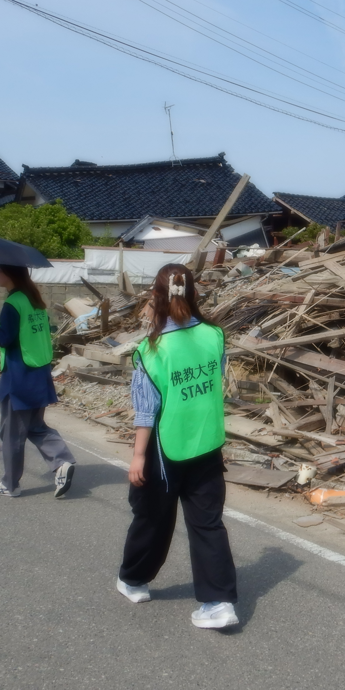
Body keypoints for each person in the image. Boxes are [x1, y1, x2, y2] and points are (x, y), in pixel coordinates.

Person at [117, 263, 238, 630]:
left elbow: (146, 409)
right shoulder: (215, 335)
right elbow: (215, 380)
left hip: (165, 448)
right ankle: (219, 603)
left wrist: (138, 456)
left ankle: (134, 580)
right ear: (194, 294)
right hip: (207, 443)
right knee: (207, 523)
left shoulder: (151, 349)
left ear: (155, 297)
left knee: (152, 515)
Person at [0, 264, 76, 499]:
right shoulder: (34, 300)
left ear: (9, 275)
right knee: (35, 426)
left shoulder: (13, 303)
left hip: (19, 375)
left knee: (11, 433)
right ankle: (62, 461)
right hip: (39, 372)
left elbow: (4, 339)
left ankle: (10, 485)